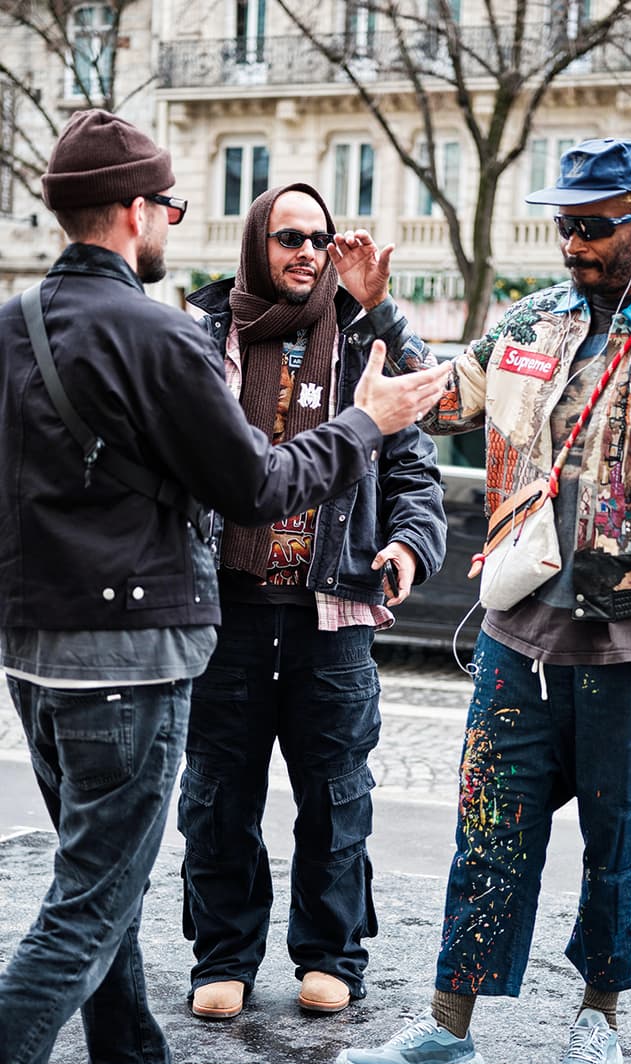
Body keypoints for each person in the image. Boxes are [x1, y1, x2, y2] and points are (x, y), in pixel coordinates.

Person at [0, 110, 447, 1064]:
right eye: (170, 205)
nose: (173, 223)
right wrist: (367, 423)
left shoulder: (13, 324)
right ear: (136, 210)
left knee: (100, 881)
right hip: (132, 654)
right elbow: (255, 485)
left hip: (34, 651)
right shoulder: (165, 334)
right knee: (91, 900)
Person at [334, 137, 631, 1064]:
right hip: (520, 634)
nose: (574, 244)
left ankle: (598, 1023)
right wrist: (378, 312)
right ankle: (448, 1028)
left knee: (619, 844)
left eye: (593, 226)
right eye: (564, 227)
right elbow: (444, 398)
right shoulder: (532, 320)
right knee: (488, 830)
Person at [178, 184, 446, 1021]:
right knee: (217, 797)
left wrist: (409, 545)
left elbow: (418, 464)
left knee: (336, 799)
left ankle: (331, 955)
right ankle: (223, 955)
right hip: (226, 611)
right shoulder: (203, 337)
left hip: (332, 614)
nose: (306, 251)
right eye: (288, 236)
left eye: (319, 238)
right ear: (256, 242)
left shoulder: (364, 342)